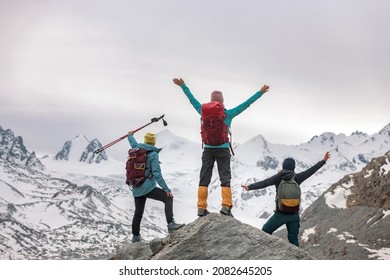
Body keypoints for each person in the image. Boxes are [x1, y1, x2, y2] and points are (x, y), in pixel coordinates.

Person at [173, 77, 270, 217]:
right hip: (223, 149)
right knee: (225, 177)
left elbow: (192, 100)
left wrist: (183, 86)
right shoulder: (228, 114)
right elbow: (246, 104)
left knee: (204, 177)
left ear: (211, 101)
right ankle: (226, 207)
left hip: (208, 149)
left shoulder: (202, 111)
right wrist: (260, 92)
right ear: (222, 102)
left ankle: (201, 208)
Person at [241, 151, 331, 247]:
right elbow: (311, 171)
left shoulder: (278, 177)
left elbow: (264, 183)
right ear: (293, 167)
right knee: (293, 241)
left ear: (283, 167)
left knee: (265, 231)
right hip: (294, 215)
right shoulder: (297, 177)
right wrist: (323, 161)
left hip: (280, 214)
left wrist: (250, 187)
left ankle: (268, 252)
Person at [127, 131, 184, 242]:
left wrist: (130, 135)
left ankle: (136, 237)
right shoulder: (153, 154)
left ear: (145, 141)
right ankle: (171, 224)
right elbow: (157, 174)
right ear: (153, 142)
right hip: (147, 187)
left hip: (136, 187)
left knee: (138, 212)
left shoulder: (137, 149)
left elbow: (133, 143)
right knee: (168, 198)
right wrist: (166, 189)